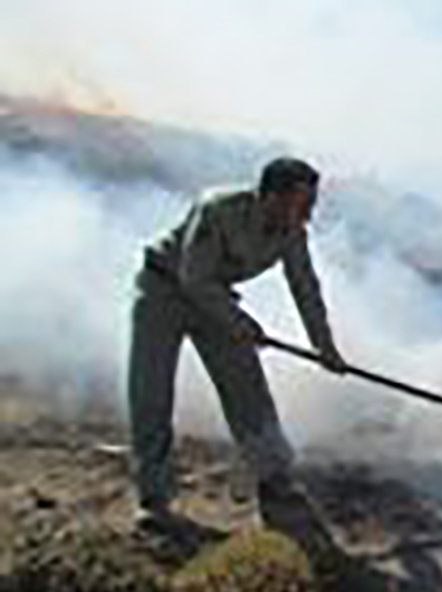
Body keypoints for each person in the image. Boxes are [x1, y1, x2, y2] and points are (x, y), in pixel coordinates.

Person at [128, 157, 346, 548]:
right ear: (272, 197)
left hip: (215, 303)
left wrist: (324, 346)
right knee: (151, 395)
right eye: (303, 204)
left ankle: (275, 480)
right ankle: (154, 500)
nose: (309, 216)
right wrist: (241, 324)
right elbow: (193, 279)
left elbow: (305, 287)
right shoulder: (218, 209)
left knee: (248, 389)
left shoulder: (291, 230)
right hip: (164, 291)